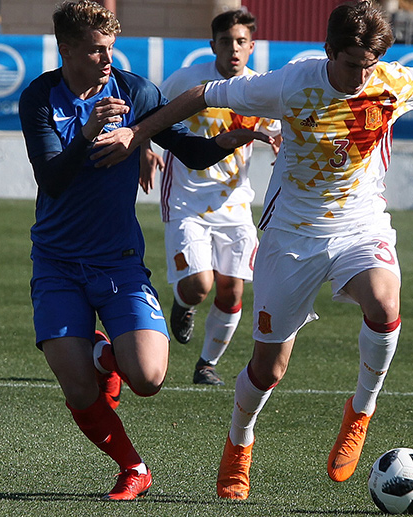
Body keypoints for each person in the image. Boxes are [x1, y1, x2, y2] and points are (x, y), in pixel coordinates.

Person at [97, 0, 413, 500]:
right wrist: (140, 134)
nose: (360, 74)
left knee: (385, 304)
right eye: (352, 63)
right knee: (268, 368)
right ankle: (239, 442)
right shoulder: (292, 83)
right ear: (330, 50)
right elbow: (202, 95)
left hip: (361, 223)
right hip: (292, 236)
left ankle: (361, 411)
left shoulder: (392, 81)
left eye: (369, 64)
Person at [18, 0, 270, 501]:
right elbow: (52, 178)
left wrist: (241, 133)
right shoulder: (40, 97)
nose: (107, 58)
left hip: (118, 263)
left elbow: (191, 151)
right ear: (65, 49)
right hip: (58, 262)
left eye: (111, 47)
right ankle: (133, 467)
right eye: (95, 50)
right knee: (79, 391)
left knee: (150, 378)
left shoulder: (134, 91)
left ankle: (102, 352)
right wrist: (88, 132)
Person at [152, 8, 281, 386]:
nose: (234, 50)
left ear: (252, 46)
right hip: (186, 199)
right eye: (226, 42)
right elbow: (151, 109)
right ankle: (184, 302)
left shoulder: (260, 89)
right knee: (199, 286)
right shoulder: (189, 81)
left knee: (232, 289)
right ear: (213, 46)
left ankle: (206, 364)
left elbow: (280, 129)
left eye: (241, 42)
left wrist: (282, 145)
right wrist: (146, 148)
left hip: (236, 202)